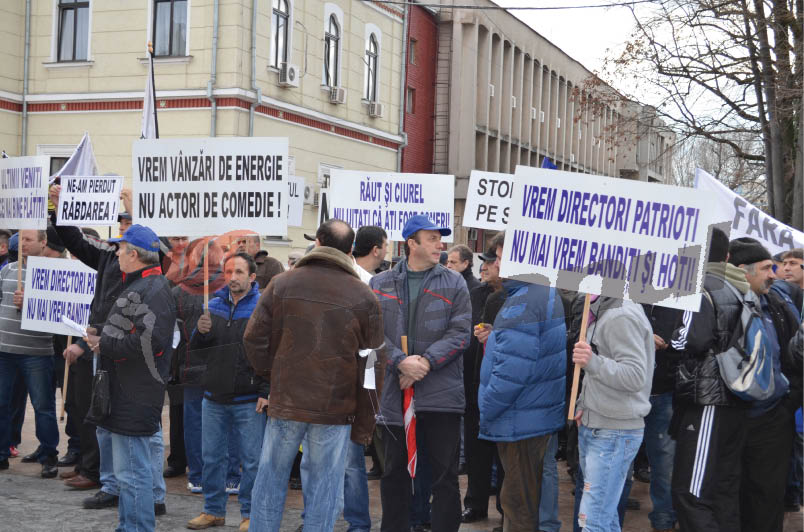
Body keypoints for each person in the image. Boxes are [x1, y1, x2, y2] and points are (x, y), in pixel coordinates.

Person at [244, 219, 384, 532]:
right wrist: (366, 420)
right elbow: (373, 365)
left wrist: (275, 375)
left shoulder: (282, 283)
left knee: (269, 481)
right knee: (324, 488)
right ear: (350, 250)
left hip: (288, 401)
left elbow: (253, 338)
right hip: (334, 408)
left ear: (317, 242)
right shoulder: (364, 296)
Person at [370, 215, 472, 532]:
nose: (439, 244)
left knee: (444, 478)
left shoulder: (454, 283)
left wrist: (423, 363)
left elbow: (460, 334)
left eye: (440, 239)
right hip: (393, 396)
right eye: (431, 238)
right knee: (394, 475)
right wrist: (401, 361)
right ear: (411, 243)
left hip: (441, 397)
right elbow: (371, 333)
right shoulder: (380, 284)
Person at [84, 224, 176, 532]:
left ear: (134, 254)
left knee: (133, 474)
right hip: (127, 392)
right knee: (127, 475)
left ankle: (137, 528)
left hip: (135, 395)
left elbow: (153, 342)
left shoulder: (153, 288)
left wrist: (105, 343)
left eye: (121, 249)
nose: (117, 254)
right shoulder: (143, 284)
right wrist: (104, 335)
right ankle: (129, 527)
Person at [477, 232, 566, 532]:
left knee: (517, 505)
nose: (497, 264)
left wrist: (486, 409)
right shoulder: (537, 291)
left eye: (501, 257)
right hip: (532, 414)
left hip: (519, 418)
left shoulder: (524, 301)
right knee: (524, 500)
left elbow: (512, 371)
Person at [186, 252, 268, 532]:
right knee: (212, 457)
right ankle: (213, 510)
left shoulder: (261, 307)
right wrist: (200, 332)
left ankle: (250, 514)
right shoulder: (213, 304)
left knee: (252, 461)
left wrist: (266, 390)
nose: (233, 277)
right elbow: (198, 352)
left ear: (252, 277)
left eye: (239, 272)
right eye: (229, 271)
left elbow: (272, 352)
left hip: (249, 398)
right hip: (214, 396)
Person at [727, 238, 800, 532]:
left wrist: (787, 404)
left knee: (767, 498)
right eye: (767, 268)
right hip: (731, 420)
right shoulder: (723, 306)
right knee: (732, 496)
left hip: (772, 422)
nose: (775, 273)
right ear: (743, 271)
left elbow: (795, 358)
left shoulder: (778, 305)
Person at [572, 295, 655, 532]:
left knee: (594, 520)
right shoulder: (604, 309)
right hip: (600, 423)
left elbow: (635, 375)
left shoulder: (620, 315)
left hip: (613, 430)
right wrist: (583, 402)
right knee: (603, 518)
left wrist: (592, 362)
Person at [0, 230, 60, 477]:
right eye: (21, 240)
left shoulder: (54, 273)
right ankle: (2, 453)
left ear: (43, 242)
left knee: (43, 406)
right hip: (4, 350)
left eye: (28, 240)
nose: (22, 244)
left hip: (36, 352)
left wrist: (32, 303)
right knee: (2, 404)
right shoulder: (7, 270)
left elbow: (61, 314)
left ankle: (49, 455)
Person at [340, 224, 387, 532]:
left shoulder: (374, 282)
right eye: (386, 245)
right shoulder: (368, 285)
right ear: (376, 249)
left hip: (357, 380)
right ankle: (356, 524)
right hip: (354, 380)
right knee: (349, 460)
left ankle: (354, 522)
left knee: (348, 460)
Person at [462, 248, 504, 524]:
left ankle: (504, 511)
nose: (485, 266)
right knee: (476, 451)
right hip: (474, 383)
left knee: (504, 458)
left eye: (492, 261)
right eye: (485, 261)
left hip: (503, 388)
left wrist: (495, 336)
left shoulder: (518, 298)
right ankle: (475, 505)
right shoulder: (475, 294)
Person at [640, 303, 683, 532]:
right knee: (620, 465)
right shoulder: (627, 297)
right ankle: (609, 522)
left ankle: (664, 519)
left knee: (665, 461)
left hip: (665, 389)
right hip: (630, 392)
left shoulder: (681, 299)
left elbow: (692, 338)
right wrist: (643, 339)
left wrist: (671, 343)